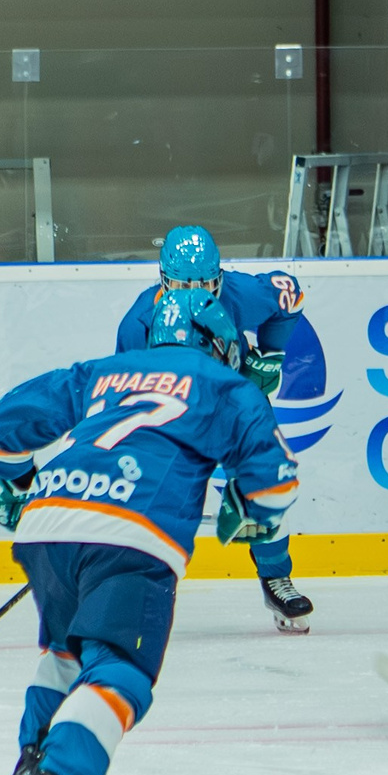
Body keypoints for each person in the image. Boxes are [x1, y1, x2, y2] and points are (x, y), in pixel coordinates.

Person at [0, 289, 300, 775]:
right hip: (132, 530)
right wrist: (249, 512)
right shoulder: (228, 386)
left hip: (46, 525)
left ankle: (29, 768)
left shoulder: (102, 372)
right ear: (220, 343)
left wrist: (16, 480)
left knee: (66, 654)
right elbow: (274, 483)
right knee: (121, 667)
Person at [115, 225, 316, 633]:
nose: (196, 292)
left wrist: (272, 356)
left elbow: (289, 294)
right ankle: (132, 587)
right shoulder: (138, 324)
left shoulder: (240, 293)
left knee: (264, 479)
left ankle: (275, 576)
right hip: (168, 411)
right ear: (163, 278)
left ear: (219, 277)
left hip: (230, 400)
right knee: (147, 494)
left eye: (205, 283)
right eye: (184, 284)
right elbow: (125, 392)